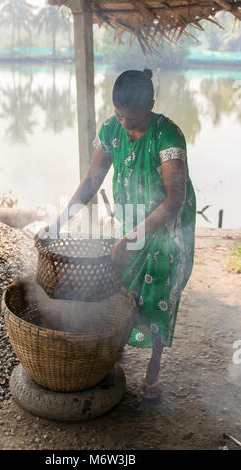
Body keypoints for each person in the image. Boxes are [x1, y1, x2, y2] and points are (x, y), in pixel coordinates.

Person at [36, 69, 196, 399]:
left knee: (157, 296)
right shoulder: (110, 130)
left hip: (168, 226)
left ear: (151, 106)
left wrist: (130, 239)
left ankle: (153, 367)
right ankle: (115, 350)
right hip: (132, 221)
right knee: (123, 289)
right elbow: (91, 182)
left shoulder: (168, 135)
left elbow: (175, 198)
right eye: (119, 114)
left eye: (133, 117)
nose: (124, 123)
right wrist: (60, 221)